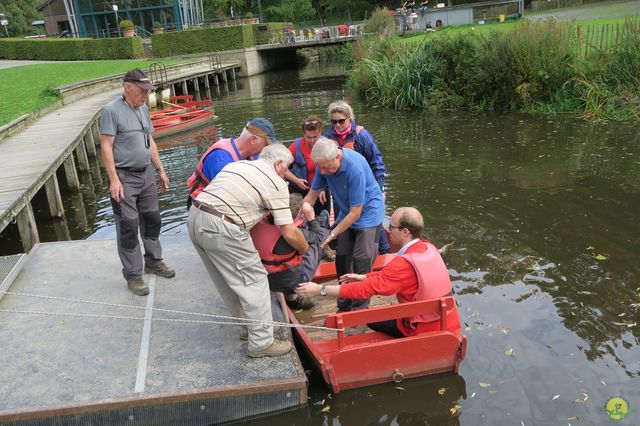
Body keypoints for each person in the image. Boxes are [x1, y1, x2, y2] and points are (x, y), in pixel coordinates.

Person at [188, 144, 309, 358]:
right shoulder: (276, 182)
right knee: (255, 280)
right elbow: (289, 232)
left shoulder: (238, 166)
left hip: (195, 217)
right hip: (223, 225)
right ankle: (261, 342)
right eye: (286, 168)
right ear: (278, 164)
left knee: (227, 280)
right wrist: (304, 248)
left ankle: (250, 328)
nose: (286, 175)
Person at [296, 207, 461, 339]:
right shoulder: (428, 247)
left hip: (422, 330)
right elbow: (388, 278)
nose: (388, 231)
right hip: (448, 323)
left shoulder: (403, 264)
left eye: (392, 227)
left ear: (405, 232)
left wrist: (320, 289)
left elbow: (365, 290)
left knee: (369, 317)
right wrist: (365, 276)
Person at [100, 68, 175, 297]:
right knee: (128, 226)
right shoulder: (110, 111)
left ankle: (153, 261)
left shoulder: (143, 108)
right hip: (124, 177)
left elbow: (149, 140)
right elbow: (106, 146)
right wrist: (114, 180)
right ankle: (133, 275)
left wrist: (160, 170)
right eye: (142, 90)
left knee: (152, 219)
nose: (145, 95)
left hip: (146, 175)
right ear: (127, 87)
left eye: (147, 90)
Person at [303, 137, 385, 312]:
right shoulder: (323, 164)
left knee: (360, 263)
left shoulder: (354, 168)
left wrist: (331, 235)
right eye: (320, 168)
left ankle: (359, 311)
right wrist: (297, 217)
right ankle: (344, 304)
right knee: (342, 260)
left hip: (367, 214)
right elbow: (311, 196)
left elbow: (356, 212)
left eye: (326, 167)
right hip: (347, 212)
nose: (323, 172)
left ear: (338, 157)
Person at [325, 100, 390, 254]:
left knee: (374, 220)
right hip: (342, 189)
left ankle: (385, 251)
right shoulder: (328, 137)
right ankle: (348, 250)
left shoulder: (362, 136)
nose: (338, 125)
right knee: (344, 219)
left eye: (341, 121)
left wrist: (378, 189)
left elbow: (377, 164)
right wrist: (322, 188)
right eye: (334, 122)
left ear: (350, 119)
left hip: (365, 187)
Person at [250, 194, 330, 310]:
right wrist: (310, 217)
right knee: (317, 244)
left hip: (264, 277)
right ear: (294, 216)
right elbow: (318, 237)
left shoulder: (258, 221)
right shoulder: (291, 233)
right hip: (289, 282)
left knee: (287, 259)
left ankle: (291, 298)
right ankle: (293, 294)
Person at [186, 118, 276, 206]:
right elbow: (229, 194)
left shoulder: (253, 154)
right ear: (253, 140)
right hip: (205, 209)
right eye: (266, 145)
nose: (266, 149)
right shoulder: (220, 157)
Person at [284, 115, 330, 216]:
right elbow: (282, 168)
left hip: (320, 190)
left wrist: (323, 188)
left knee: (322, 217)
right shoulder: (295, 147)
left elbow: (333, 170)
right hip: (298, 190)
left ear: (320, 133)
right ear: (303, 134)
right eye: (308, 137)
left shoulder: (327, 146)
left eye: (315, 137)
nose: (312, 141)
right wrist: (296, 180)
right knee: (297, 218)